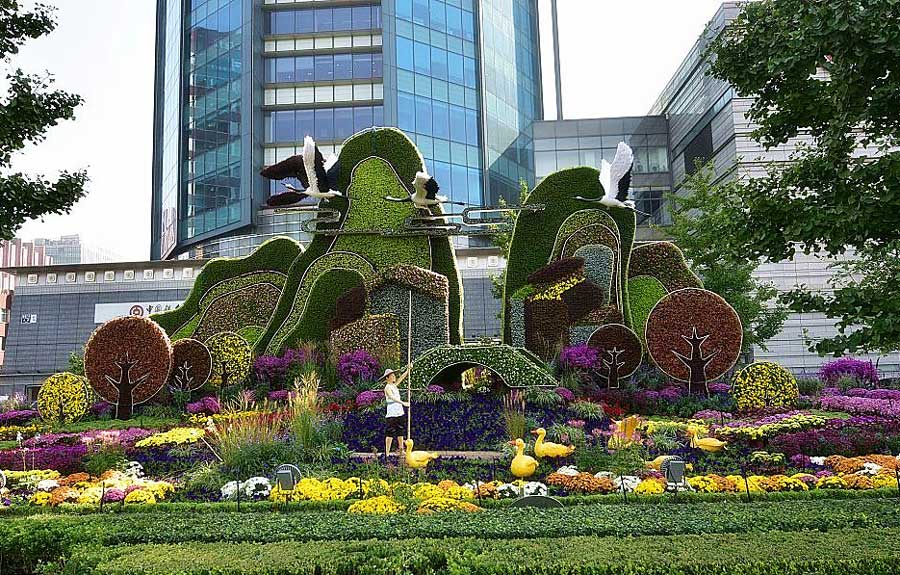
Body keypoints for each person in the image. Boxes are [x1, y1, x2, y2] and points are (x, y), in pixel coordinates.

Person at [381, 366, 410, 459]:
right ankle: (387, 453)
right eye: (392, 376)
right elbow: (392, 397)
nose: (394, 377)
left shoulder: (394, 386)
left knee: (400, 430)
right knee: (390, 432)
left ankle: (401, 450)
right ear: (387, 378)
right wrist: (403, 403)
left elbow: (402, 377)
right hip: (392, 413)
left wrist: (408, 370)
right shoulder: (387, 388)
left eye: (394, 375)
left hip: (399, 411)